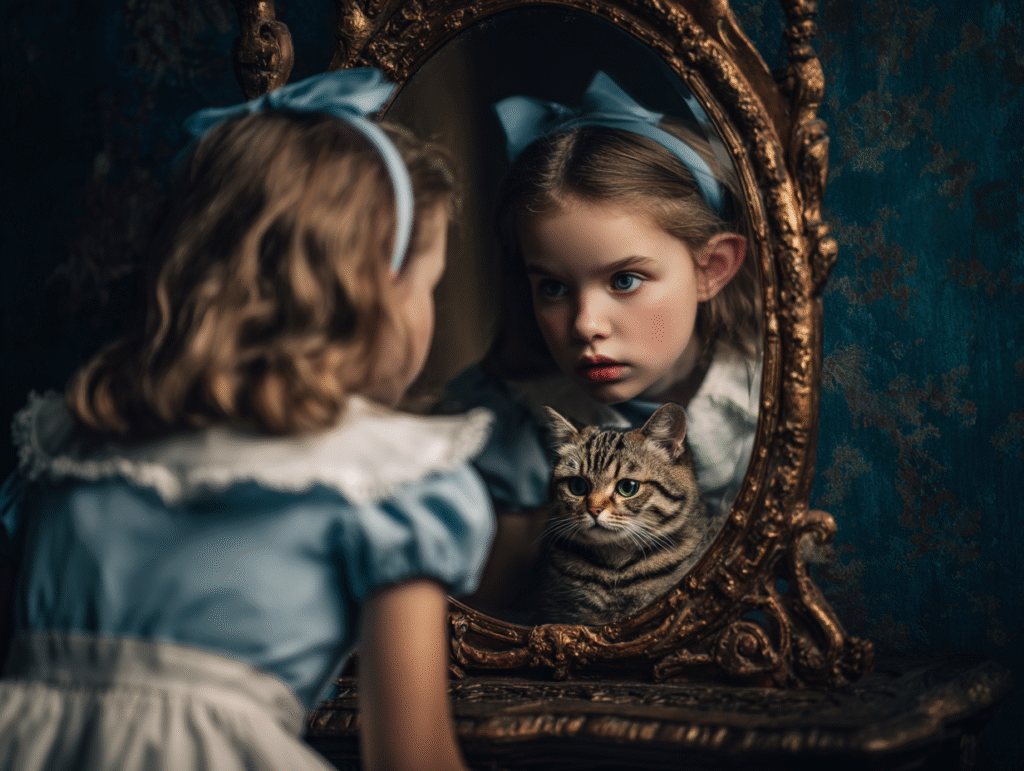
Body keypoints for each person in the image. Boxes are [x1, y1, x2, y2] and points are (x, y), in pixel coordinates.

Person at [0, 69, 493, 771]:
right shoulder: (388, 484)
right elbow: (411, 756)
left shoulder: (66, 444)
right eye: (429, 286)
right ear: (370, 294)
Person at [439, 72, 760, 614]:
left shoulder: (763, 404)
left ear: (713, 268)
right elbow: (479, 624)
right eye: (554, 287)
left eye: (624, 280)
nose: (586, 324)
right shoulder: (507, 416)